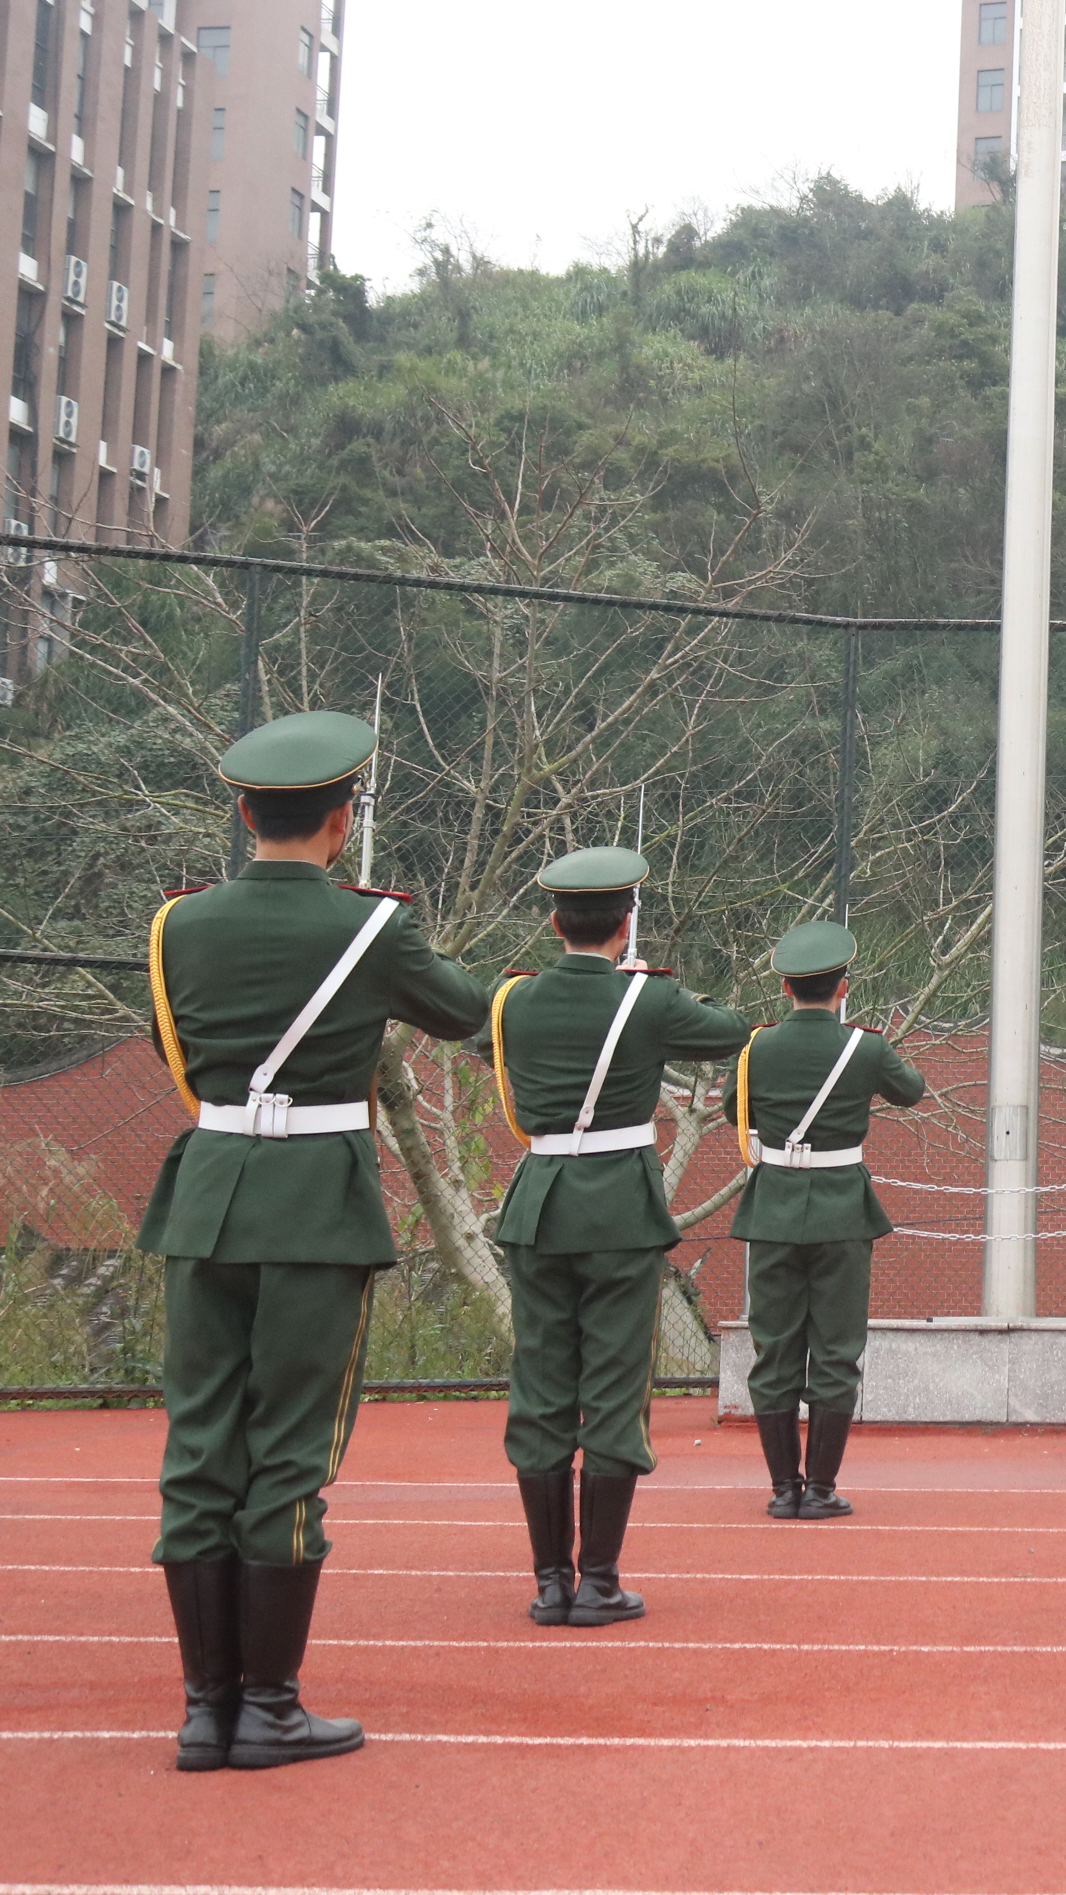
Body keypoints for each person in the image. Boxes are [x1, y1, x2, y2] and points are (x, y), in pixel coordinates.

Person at [141, 710, 492, 1771]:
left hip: (207, 1195)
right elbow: (466, 1011)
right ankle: (274, 1710)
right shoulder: (376, 927)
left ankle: (207, 1711)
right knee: (290, 1449)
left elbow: (181, 1051)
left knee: (200, 1445)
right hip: (315, 1207)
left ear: (244, 812)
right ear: (343, 823)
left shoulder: (178, 925)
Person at [487, 847, 751, 1626]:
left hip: (539, 1205)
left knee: (540, 1385)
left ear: (552, 920)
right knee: (612, 1387)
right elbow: (730, 1031)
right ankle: (598, 1581)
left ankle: (547, 1581)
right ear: (626, 923)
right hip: (619, 1213)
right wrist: (663, 991)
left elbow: (480, 1035)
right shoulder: (650, 1002)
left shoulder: (514, 1002)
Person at [729, 921, 927, 1518]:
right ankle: (820, 1489)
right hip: (842, 1209)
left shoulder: (755, 1047)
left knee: (775, 1349)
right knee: (836, 1349)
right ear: (844, 987)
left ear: (786, 986)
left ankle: (782, 1488)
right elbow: (912, 1091)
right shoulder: (864, 1047)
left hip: (772, 1210)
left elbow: (733, 1111)